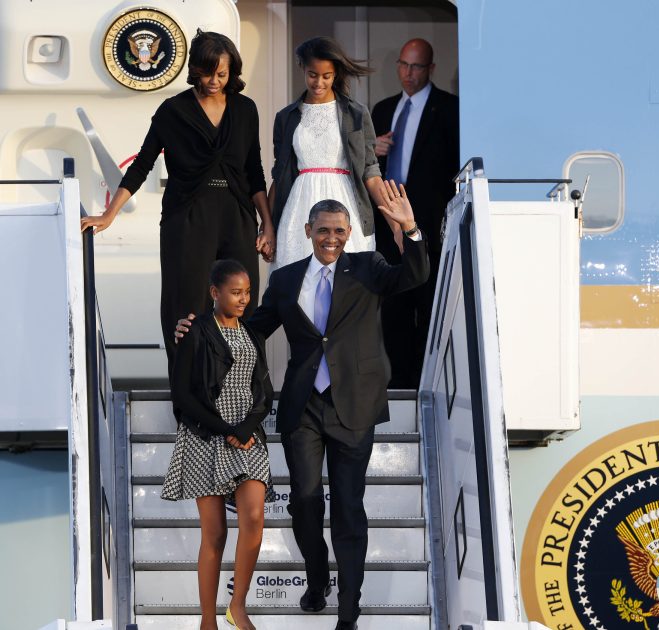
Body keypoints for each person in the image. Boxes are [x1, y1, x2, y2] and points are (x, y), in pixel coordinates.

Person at [177, 182, 429, 630]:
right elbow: (249, 328)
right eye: (323, 230)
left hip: (355, 404)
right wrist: (198, 330)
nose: (331, 238)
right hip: (304, 407)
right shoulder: (286, 279)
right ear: (309, 230)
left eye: (339, 230)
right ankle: (317, 579)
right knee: (305, 504)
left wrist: (409, 229)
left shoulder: (369, 267)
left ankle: (348, 615)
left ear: (348, 233)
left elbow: (414, 275)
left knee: (349, 508)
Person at [80, 30, 273, 374]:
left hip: (237, 216)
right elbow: (142, 163)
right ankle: (190, 400)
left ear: (232, 73)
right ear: (195, 69)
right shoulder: (174, 110)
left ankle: (238, 397)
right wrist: (109, 215)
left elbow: (254, 171)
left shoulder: (245, 109)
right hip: (187, 217)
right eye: (207, 72)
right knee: (186, 307)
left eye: (222, 74)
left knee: (241, 304)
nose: (214, 81)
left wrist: (267, 225)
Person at [163, 259, 274, 630]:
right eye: (235, 292)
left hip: (247, 436)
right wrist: (223, 427)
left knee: (254, 517)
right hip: (205, 436)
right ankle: (207, 620)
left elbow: (264, 391)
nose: (243, 299)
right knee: (214, 534)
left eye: (247, 293)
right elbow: (181, 394)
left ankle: (237, 606)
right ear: (215, 292)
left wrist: (245, 428)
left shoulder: (253, 334)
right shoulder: (195, 332)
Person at [371, 38, 460, 387]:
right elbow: (365, 167)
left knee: (427, 304)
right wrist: (373, 149)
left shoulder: (450, 109)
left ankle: (425, 384)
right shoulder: (382, 109)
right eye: (403, 65)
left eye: (416, 66)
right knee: (393, 307)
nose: (408, 74)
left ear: (431, 69)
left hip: (429, 223)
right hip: (386, 222)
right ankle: (399, 385)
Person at [269, 36, 394, 270]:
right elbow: (280, 175)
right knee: (297, 283)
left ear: (335, 74)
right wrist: (267, 226)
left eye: (326, 76)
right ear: (302, 69)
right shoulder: (286, 117)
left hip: (346, 203)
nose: (319, 83)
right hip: (298, 210)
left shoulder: (356, 113)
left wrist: (396, 224)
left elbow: (370, 171)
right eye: (312, 75)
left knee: (348, 281)